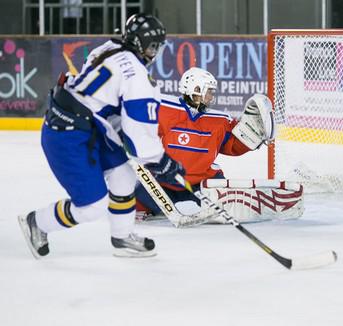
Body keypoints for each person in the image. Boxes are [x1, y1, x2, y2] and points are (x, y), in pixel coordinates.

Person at [18, 13, 184, 259]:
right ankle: (38, 222)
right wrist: (161, 161)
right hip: (68, 135)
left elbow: (101, 101)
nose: (154, 52)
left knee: (124, 176)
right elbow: (140, 139)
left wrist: (153, 158)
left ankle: (122, 236)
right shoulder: (138, 77)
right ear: (141, 44)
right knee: (92, 206)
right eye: (152, 46)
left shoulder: (109, 48)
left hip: (85, 124)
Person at [135, 67, 279, 223]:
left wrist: (253, 136)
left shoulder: (220, 120)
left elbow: (234, 145)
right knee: (134, 204)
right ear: (194, 89)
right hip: (164, 181)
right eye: (208, 91)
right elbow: (138, 126)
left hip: (202, 184)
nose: (211, 97)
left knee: (225, 210)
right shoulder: (164, 108)